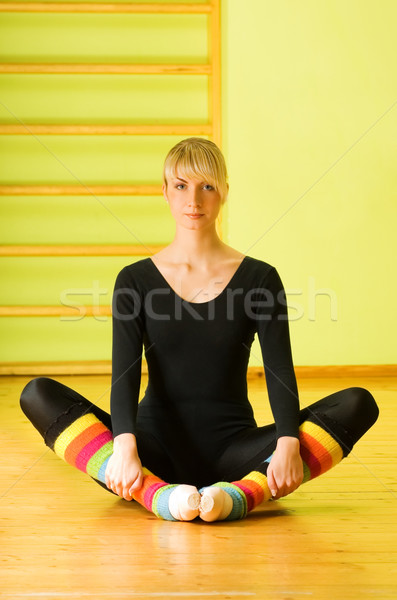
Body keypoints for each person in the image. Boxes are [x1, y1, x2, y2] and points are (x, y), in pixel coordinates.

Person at [20, 137, 379, 522]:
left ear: (224, 191)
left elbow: (278, 370)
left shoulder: (260, 278)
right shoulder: (135, 280)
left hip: (236, 451)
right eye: (181, 186)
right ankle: (167, 495)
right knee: (37, 394)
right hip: (152, 450)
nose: (194, 200)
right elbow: (124, 374)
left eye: (207, 186)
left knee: (359, 403)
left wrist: (288, 442)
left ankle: (235, 492)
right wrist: (125, 450)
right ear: (165, 192)